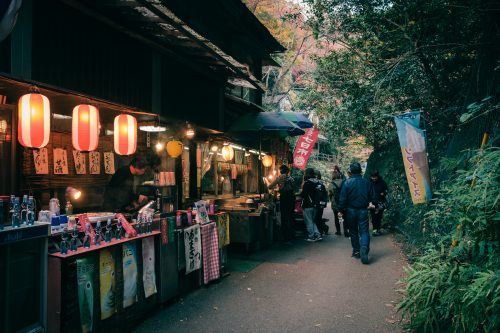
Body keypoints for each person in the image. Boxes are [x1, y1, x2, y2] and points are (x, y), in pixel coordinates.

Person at [338, 162, 374, 264]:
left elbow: (342, 199)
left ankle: (356, 251)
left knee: (353, 231)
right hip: (363, 210)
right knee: (364, 231)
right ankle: (364, 247)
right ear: (360, 171)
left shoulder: (347, 183)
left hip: (350, 210)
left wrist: (341, 210)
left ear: (350, 171)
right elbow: (372, 197)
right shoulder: (366, 182)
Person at [267, 165, 295, 244]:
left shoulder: (281, 177)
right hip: (291, 199)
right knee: (290, 217)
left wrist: (271, 187)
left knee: (285, 218)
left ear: (282, 170)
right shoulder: (291, 178)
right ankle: (291, 236)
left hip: (285, 199)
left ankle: (286, 238)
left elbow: (270, 186)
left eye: (279, 170)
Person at [299, 168, 322, 242]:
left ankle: (311, 236)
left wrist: (300, 193)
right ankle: (317, 235)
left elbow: (303, 194)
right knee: (312, 221)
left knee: (308, 221)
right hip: (316, 205)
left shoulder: (307, 183)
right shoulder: (318, 182)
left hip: (308, 204)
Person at [329, 165, 348, 237]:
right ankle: (346, 231)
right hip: (344, 202)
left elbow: (329, 193)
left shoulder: (331, 184)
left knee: (336, 217)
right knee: (345, 217)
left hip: (335, 203)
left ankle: (338, 231)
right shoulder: (345, 182)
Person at [369, 170, 388, 236]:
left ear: (378, 176)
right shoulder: (369, 183)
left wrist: (384, 193)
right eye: (372, 177)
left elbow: (386, 190)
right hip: (372, 202)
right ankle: (375, 230)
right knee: (373, 216)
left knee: (379, 216)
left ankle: (378, 229)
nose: (374, 178)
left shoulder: (382, 182)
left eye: (375, 177)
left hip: (380, 202)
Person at [314, 169, 329, 235]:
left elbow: (319, 195)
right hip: (321, 203)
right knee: (318, 217)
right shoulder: (321, 183)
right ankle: (322, 229)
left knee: (317, 218)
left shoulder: (318, 184)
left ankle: (320, 231)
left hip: (318, 203)